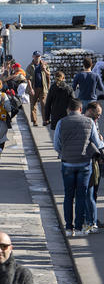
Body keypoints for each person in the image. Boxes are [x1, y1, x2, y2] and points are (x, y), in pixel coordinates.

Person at [54, 98, 103, 236]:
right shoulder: (89, 122)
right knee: (82, 196)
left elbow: (56, 144)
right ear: (81, 109)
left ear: (68, 110)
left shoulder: (61, 122)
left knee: (68, 195)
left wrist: (64, 153)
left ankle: (69, 228)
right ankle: (80, 227)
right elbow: (97, 144)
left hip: (67, 163)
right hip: (84, 164)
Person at [25, 51, 49, 127]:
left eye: (39, 56)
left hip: (43, 87)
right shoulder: (30, 66)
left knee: (43, 103)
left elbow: (49, 74)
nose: (37, 58)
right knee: (33, 104)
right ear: (33, 57)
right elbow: (28, 78)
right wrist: (31, 89)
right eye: (36, 56)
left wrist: (45, 69)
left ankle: (45, 120)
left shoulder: (44, 65)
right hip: (34, 87)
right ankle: (34, 121)